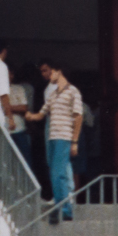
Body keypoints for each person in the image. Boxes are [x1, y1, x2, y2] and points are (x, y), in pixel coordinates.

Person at [24, 60, 84, 224]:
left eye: (51, 72)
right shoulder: (53, 94)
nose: (48, 75)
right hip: (51, 137)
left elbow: (78, 117)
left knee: (58, 173)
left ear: (59, 72)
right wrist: (30, 116)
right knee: (56, 173)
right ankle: (64, 209)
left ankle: (63, 209)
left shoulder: (73, 92)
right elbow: (41, 114)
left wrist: (74, 142)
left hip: (63, 138)